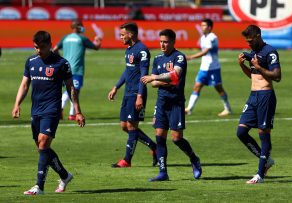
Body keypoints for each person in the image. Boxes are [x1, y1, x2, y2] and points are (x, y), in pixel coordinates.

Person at [12, 31, 85, 195]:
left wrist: (78, 111)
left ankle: (39, 186)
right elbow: (24, 85)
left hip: (52, 109)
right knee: (42, 149)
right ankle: (65, 176)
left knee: (43, 143)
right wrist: (17, 104)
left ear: (50, 45)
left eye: (42, 47)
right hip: (36, 110)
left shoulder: (61, 63)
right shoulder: (31, 61)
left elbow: (70, 88)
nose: (39, 50)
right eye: (36, 47)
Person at [141, 29, 202, 181]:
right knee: (160, 136)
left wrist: (157, 78)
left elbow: (175, 75)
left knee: (176, 138)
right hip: (161, 101)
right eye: (161, 41)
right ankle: (163, 172)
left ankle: (194, 159)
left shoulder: (179, 57)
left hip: (176, 102)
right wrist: (164, 80)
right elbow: (154, 84)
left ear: (173, 42)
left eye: (166, 41)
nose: (162, 44)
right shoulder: (158, 58)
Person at [108, 22, 157, 168]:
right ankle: (154, 147)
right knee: (124, 126)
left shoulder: (142, 50)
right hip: (127, 92)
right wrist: (116, 87)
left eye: (123, 35)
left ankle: (127, 160)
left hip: (136, 92)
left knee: (131, 126)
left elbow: (144, 74)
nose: (121, 37)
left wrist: (140, 95)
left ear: (131, 34)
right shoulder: (129, 50)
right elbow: (127, 70)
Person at [236, 25, 281, 184]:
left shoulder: (270, 52)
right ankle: (267, 160)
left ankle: (260, 174)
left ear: (258, 36)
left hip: (266, 96)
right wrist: (242, 65)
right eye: (247, 41)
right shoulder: (253, 53)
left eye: (250, 41)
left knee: (264, 134)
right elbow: (254, 75)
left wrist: (259, 66)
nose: (248, 44)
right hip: (253, 96)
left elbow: (276, 76)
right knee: (241, 132)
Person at [53, 19, 101, 120]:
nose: (83, 27)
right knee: (73, 90)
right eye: (81, 26)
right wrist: (98, 41)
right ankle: (65, 111)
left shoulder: (65, 38)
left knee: (70, 89)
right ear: (78, 27)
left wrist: (60, 59)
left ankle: (71, 114)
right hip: (76, 69)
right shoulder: (81, 38)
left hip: (64, 67)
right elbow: (96, 47)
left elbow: (55, 49)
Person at [185, 19, 232, 116]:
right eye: (201, 25)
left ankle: (227, 109)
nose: (202, 27)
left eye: (204, 25)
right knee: (197, 86)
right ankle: (189, 109)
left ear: (209, 27)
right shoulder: (203, 37)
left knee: (219, 88)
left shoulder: (212, 37)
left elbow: (205, 52)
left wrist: (190, 57)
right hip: (204, 67)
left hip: (213, 68)